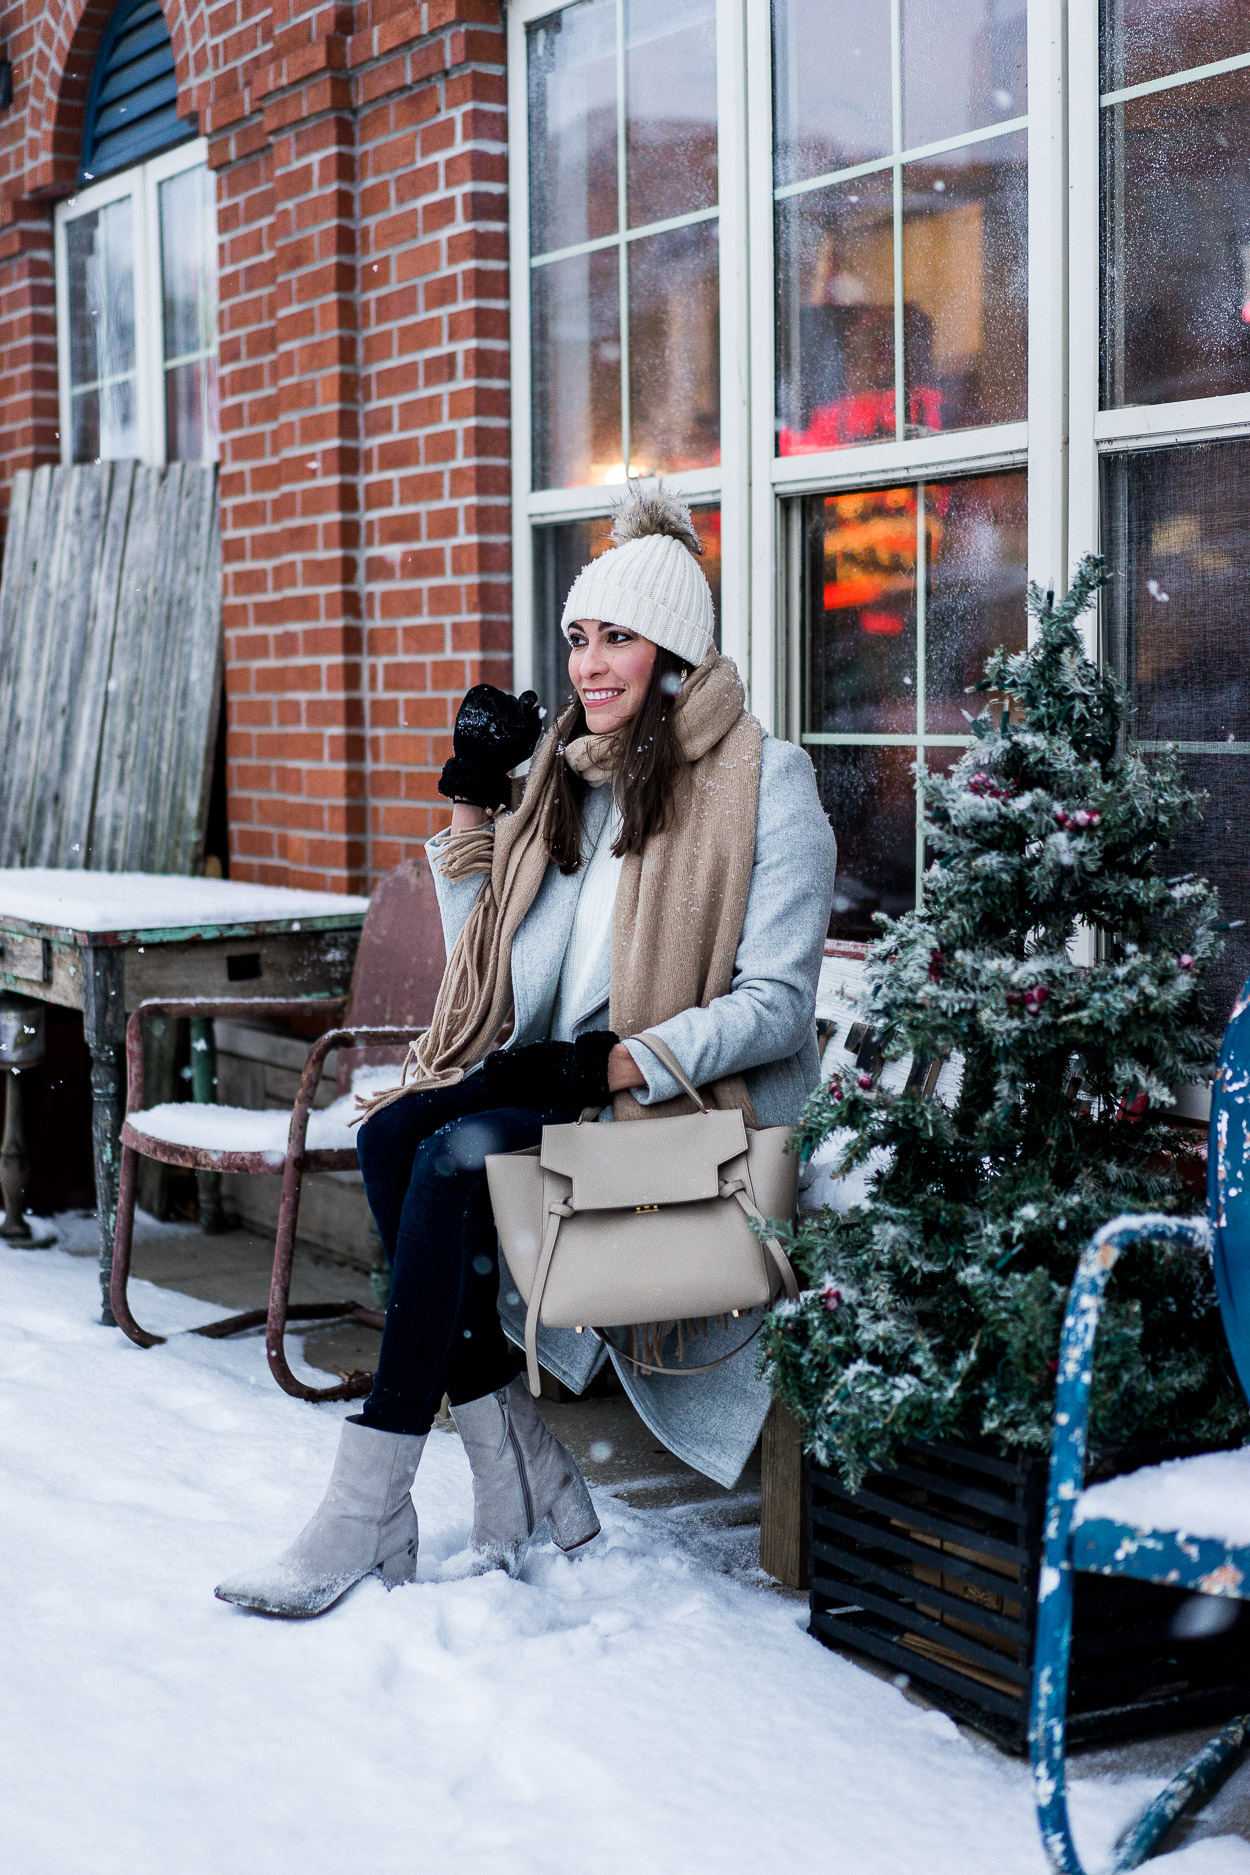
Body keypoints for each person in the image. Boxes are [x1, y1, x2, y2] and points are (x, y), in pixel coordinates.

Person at [215, 485, 837, 1618]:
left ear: (678, 651)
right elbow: (487, 981)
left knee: (452, 1158)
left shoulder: (761, 781)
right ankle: (519, 1471)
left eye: (618, 638)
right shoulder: (579, 781)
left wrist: (610, 1063)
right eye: (578, 638)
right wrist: (472, 804)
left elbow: (777, 1006)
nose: (590, 664)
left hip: (678, 1114)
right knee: (403, 1132)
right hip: (560, 1084)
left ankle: (372, 1504)